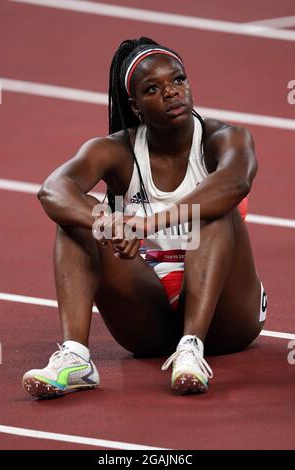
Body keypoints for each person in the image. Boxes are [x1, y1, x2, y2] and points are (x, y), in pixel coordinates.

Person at [22, 37, 267, 398]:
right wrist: (105, 222)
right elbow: (52, 190)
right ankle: (76, 358)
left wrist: (150, 223)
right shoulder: (115, 150)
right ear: (135, 107)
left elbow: (236, 183)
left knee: (216, 211)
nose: (172, 92)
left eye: (178, 80)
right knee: (75, 222)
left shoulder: (225, 138)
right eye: (154, 88)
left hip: (226, 313)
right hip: (149, 311)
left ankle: (191, 348)